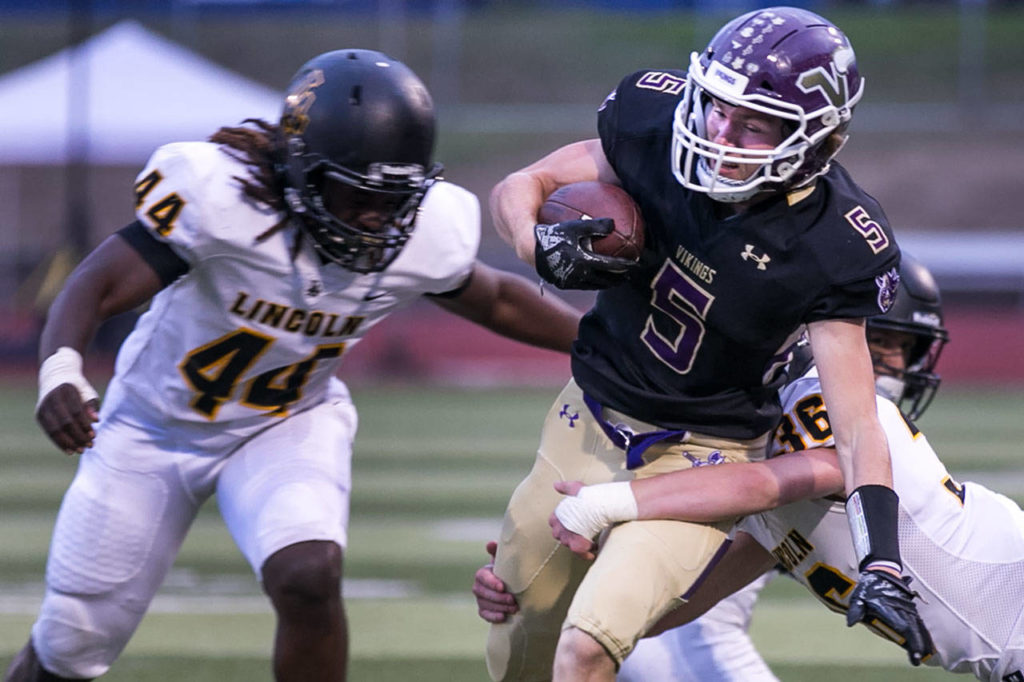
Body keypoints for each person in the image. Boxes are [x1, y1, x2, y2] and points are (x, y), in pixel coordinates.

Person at [3, 49, 582, 682]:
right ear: (302, 171)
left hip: (285, 420)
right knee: (70, 646)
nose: (377, 218)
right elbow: (99, 280)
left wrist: (598, 344)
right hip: (151, 427)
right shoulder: (224, 201)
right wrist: (61, 365)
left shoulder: (421, 233)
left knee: (309, 575)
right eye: (357, 194)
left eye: (395, 199)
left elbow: (494, 298)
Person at [485, 6, 925, 680]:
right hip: (587, 415)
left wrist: (884, 561)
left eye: (753, 123)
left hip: (706, 456)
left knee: (588, 644)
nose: (720, 133)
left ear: (818, 140)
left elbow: (859, 429)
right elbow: (523, 186)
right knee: (517, 640)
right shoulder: (655, 124)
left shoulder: (836, 242)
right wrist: (533, 243)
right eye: (717, 107)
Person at [481, 256, 1024, 680]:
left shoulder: (823, 405)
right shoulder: (752, 444)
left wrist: (613, 500)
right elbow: (679, 603)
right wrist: (540, 583)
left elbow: (769, 483)